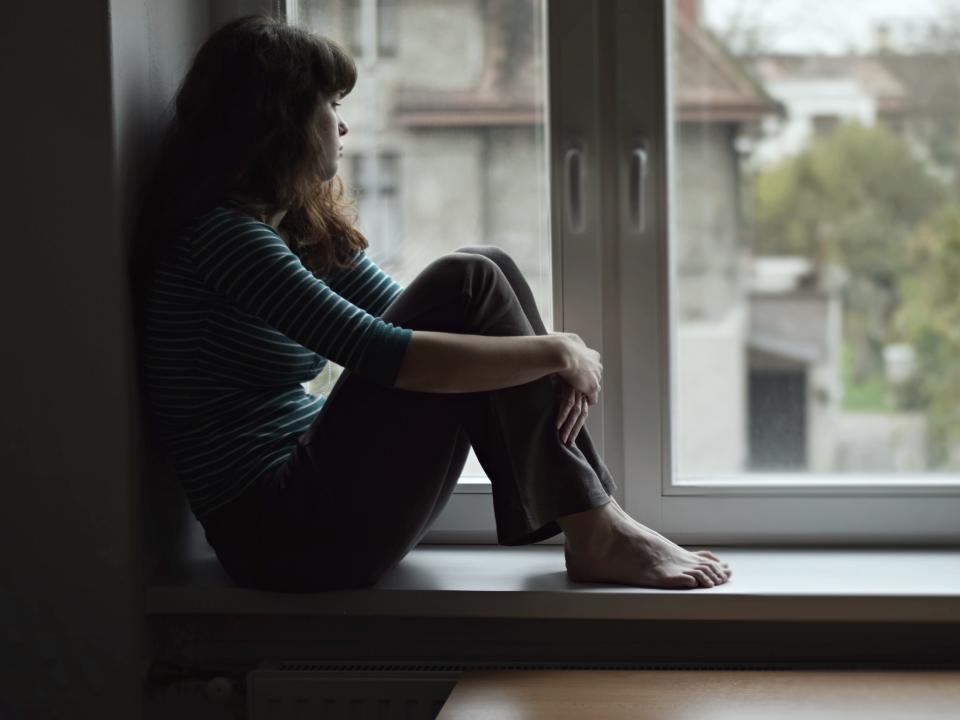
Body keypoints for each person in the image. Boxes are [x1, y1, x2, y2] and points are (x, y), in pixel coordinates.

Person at [133, 14, 731, 593]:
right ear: (280, 122)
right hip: (281, 537)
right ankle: (596, 528)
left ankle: (596, 522)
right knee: (469, 278)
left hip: (315, 513)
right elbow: (390, 354)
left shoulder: (292, 229)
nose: (342, 128)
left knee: (486, 269)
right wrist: (555, 351)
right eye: (331, 107)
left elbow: (415, 318)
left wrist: (543, 355)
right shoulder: (223, 240)